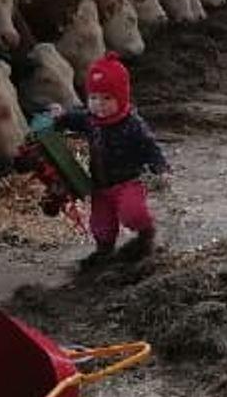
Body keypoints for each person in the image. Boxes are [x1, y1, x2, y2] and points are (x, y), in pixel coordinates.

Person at [50, 53, 167, 265]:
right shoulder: (89, 119)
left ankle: (146, 235)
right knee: (100, 223)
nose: (99, 105)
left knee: (133, 213)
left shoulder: (132, 123)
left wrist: (159, 165)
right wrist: (60, 117)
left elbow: (149, 145)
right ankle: (104, 250)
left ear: (121, 98)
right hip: (100, 184)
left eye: (107, 98)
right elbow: (73, 119)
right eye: (93, 98)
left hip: (128, 181)